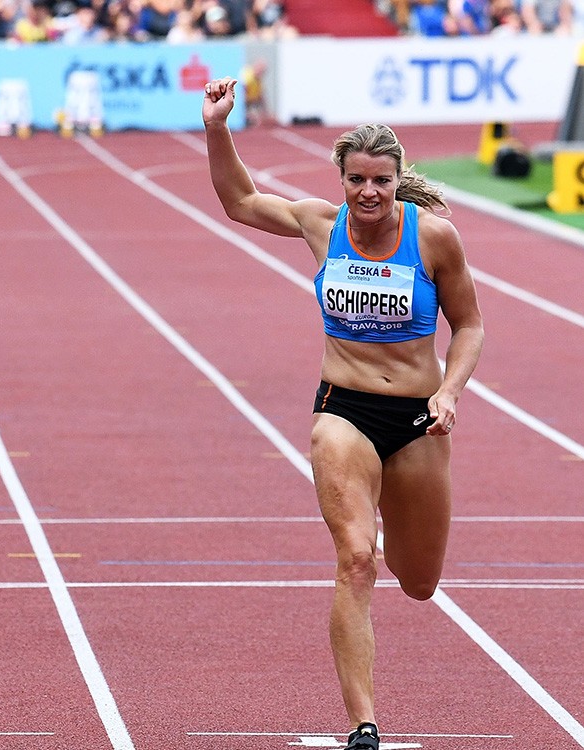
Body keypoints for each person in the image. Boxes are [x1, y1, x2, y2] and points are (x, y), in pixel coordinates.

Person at [202, 78, 483, 750]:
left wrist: (449, 392)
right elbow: (240, 201)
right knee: (356, 559)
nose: (368, 194)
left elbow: (469, 326)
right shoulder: (320, 225)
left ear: (397, 179)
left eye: (380, 181)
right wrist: (217, 127)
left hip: (418, 418)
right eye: (356, 179)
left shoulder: (434, 239)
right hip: (343, 412)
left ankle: (388, 536)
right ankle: (364, 723)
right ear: (342, 177)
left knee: (418, 582)